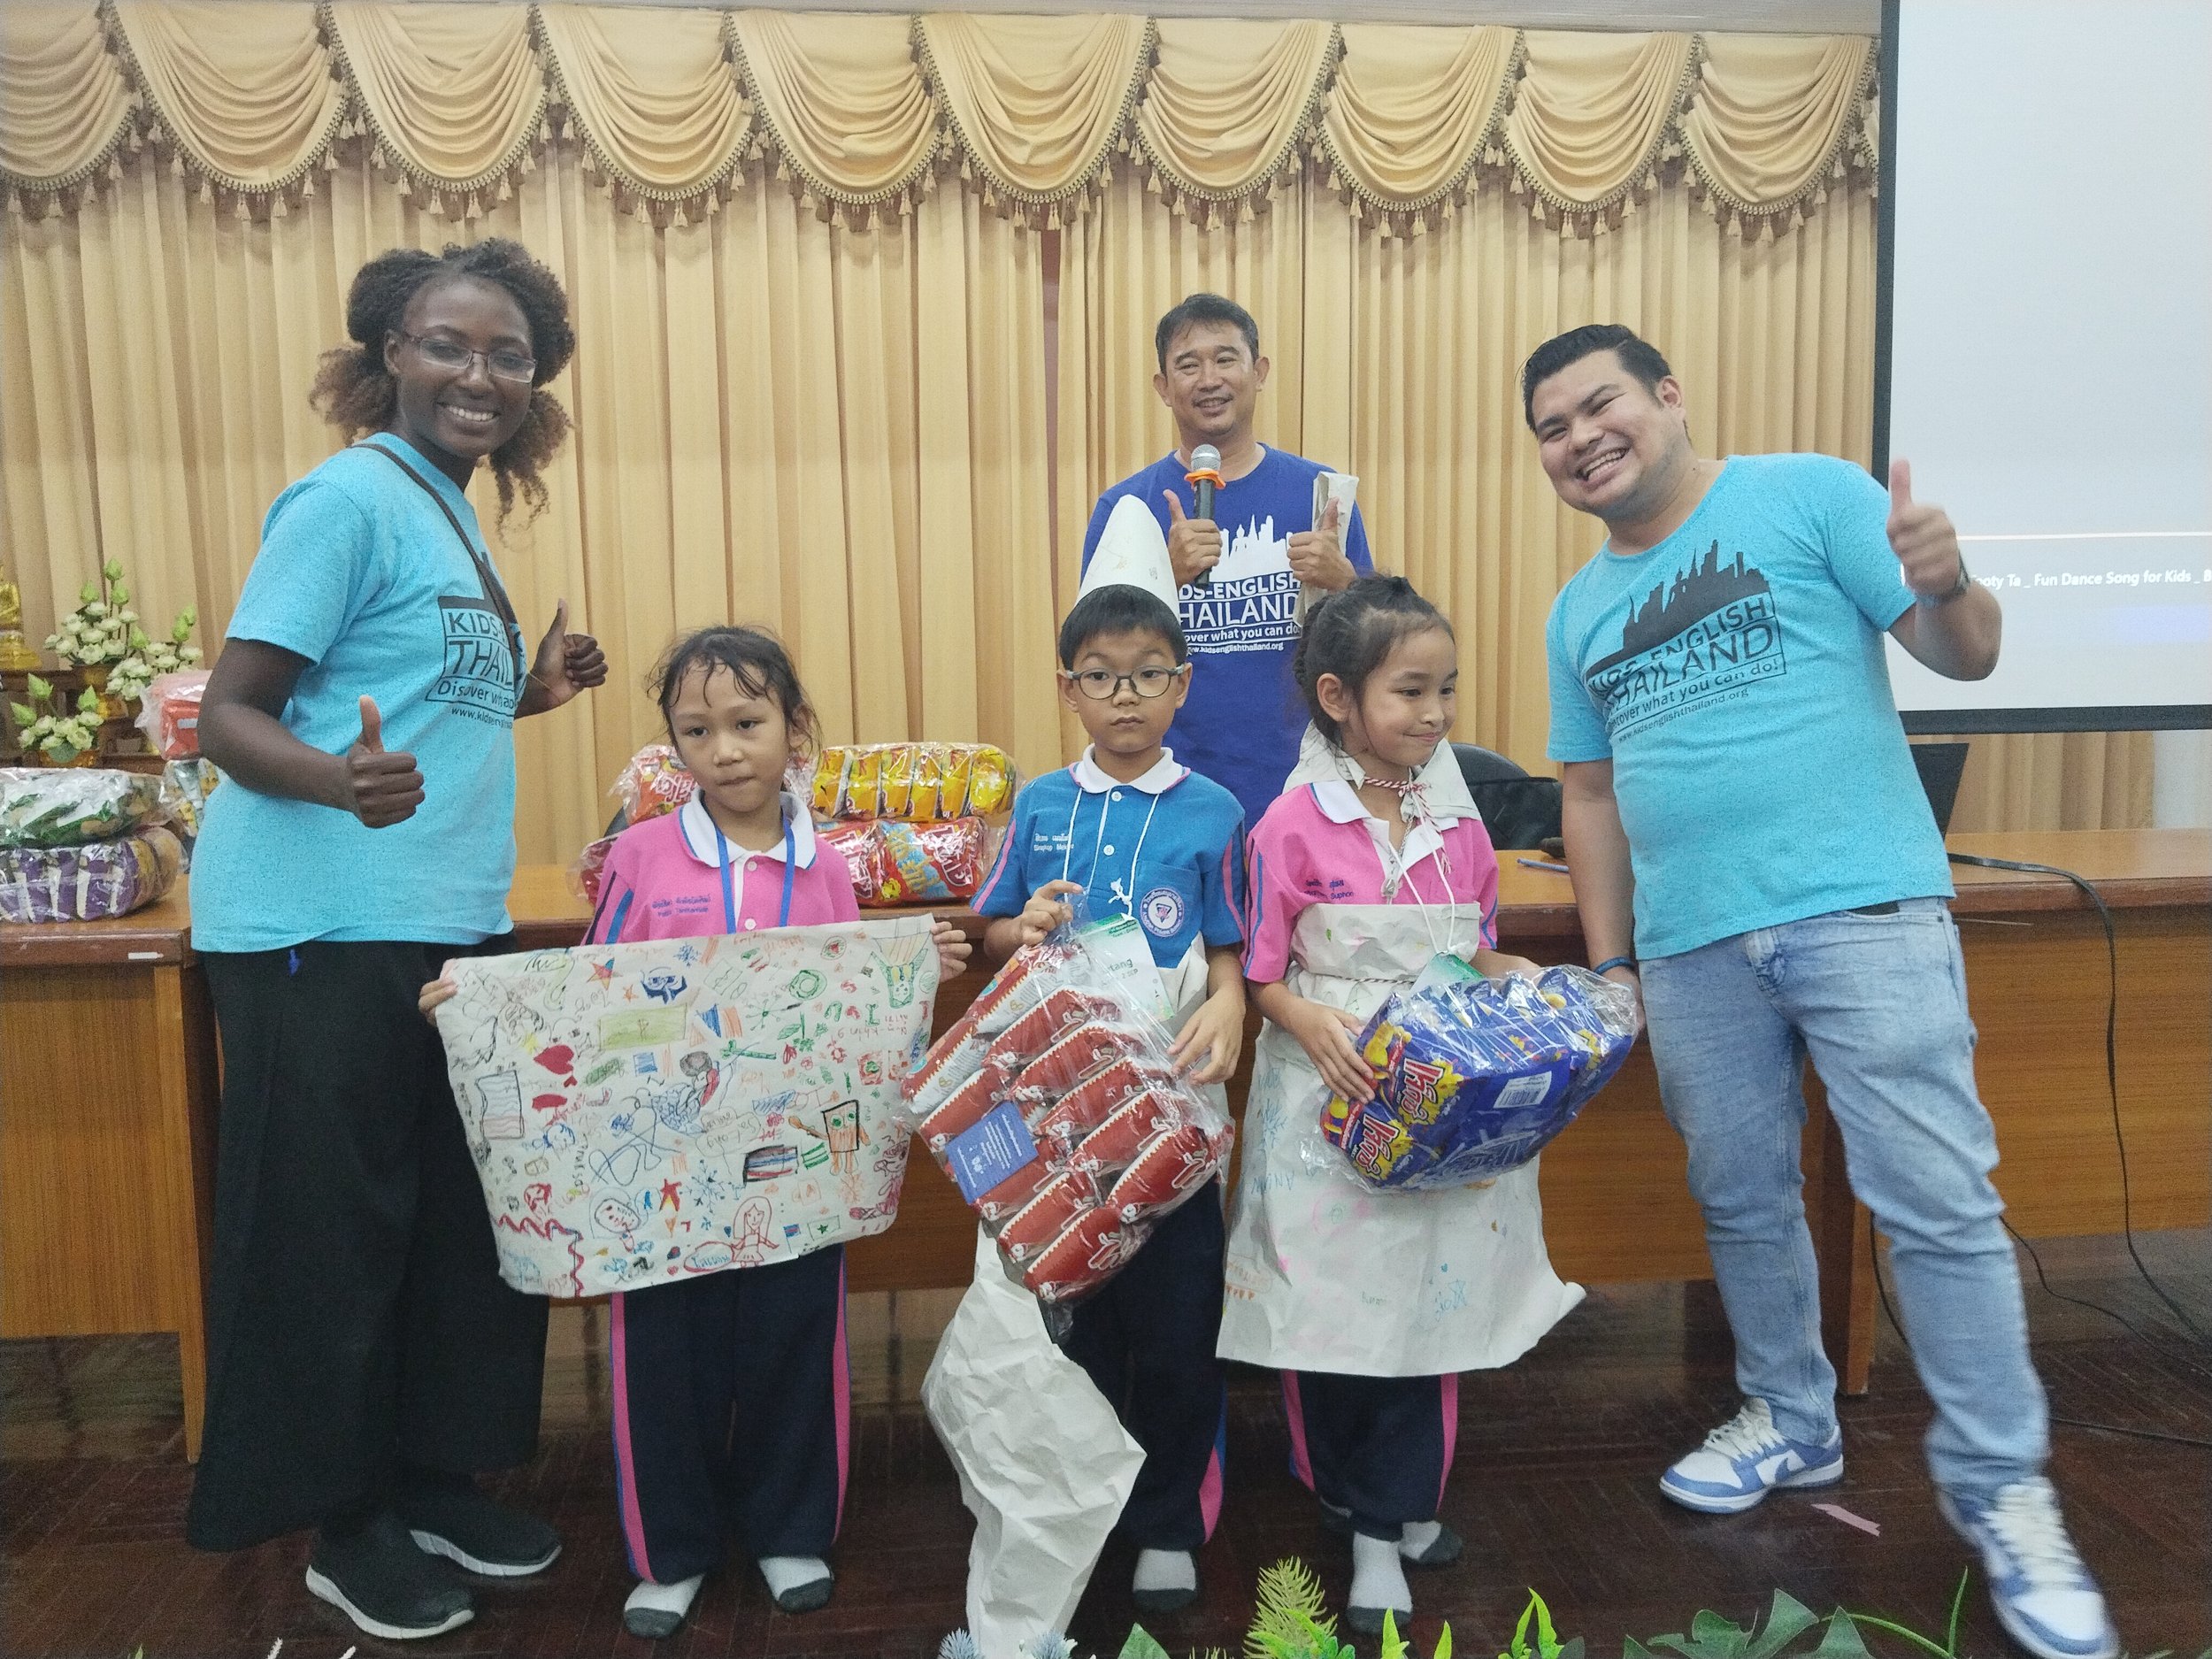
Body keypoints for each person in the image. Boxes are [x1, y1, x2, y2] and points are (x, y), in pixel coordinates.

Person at [1528, 323, 2116, 1659]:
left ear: (1668, 395)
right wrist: (1613, 963)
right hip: (1687, 948)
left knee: (1937, 1201)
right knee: (1740, 1195)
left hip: (1861, 911)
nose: (1579, 438)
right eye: (1552, 428)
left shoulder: (1809, 494)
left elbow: (1964, 654)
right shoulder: (1579, 609)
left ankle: (2003, 1489)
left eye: (1598, 404)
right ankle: (1789, 1417)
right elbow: (1590, 792)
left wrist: (1954, 581)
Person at [187, 239, 607, 1641]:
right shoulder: (349, 498)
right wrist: (331, 779)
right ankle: (343, 1519)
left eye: (505, 353)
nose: (476, 372)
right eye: (444, 344)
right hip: (317, 925)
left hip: (443, 924)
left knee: (448, 1229)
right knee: (332, 1233)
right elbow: (232, 712)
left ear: (533, 379)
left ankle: (432, 1478)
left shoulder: (452, 510)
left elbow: (417, 709)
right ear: (387, 359)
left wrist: (533, 693)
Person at [427, 626, 970, 1635]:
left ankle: (790, 1531)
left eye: (747, 723)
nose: (725, 749)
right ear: (673, 746)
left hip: (794, 1172)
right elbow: (587, 1002)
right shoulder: (638, 857)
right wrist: (477, 1004)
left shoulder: (832, 869)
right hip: (658, 1179)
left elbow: (850, 993)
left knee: (794, 1343)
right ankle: (668, 1550)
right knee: (659, 1361)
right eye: (697, 730)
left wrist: (913, 964)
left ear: (794, 731)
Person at [1220, 574, 1580, 1632]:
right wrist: (1304, 1019)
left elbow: (1468, 945)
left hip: (1435, 1104)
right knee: (1339, 1310)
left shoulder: (1456, 822)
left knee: (1424, 1305)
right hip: (1330, 1099)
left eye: (1446, 692)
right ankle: (1362, 1498)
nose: (1432, 716)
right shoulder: (1289, 824)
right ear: (1338, 697)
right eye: (1409, 693)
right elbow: (1262, 969)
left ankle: (1384, 1524)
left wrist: (1519, 976)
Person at [970, 500, 1248, 1613]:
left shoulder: (1219, 810)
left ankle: (1168, 1516)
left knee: (1178, 1330)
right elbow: (991, 932)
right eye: (1099, 674)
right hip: (1051, 1120)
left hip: (1170, 1112)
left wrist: (1229, 1005)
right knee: (1066, 1328)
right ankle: (1070, 1501)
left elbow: (1231, 951)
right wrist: (1016, 928)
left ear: (1181, 684)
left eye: (1145, 674)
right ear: (1067, 690)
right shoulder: (1037, 806)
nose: (1123, 696)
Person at [1080, 293, 1373, 824]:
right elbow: (1092, 664)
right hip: (1163, 788)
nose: (1208, 379)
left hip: (1305, 786)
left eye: (1225, 359)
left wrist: (1345, 582)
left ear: (1258, 372)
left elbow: (1380, 648)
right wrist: (1162, 578)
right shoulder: (1126, 508)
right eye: (1188, 365)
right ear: (1163, 388)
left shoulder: (1319, 495)